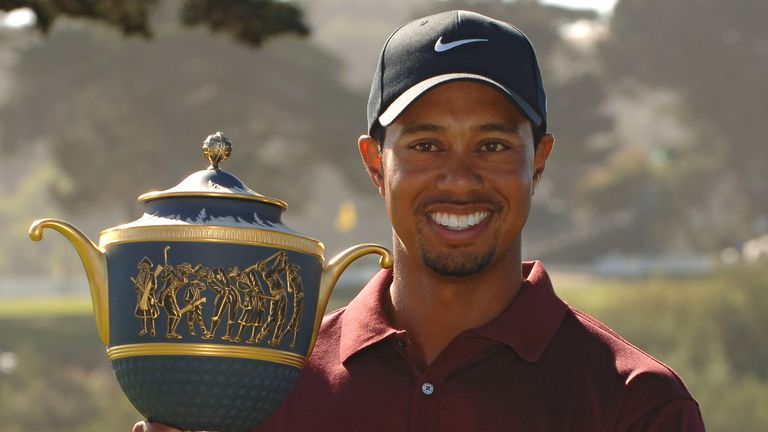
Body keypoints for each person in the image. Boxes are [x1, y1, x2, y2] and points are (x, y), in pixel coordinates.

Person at [134, 10, 705, 431]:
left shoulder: (638, 405)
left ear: (540, 162)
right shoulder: (265, 388)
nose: (459, 179)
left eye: (493, 146)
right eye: (427, 145)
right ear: (374, 164)